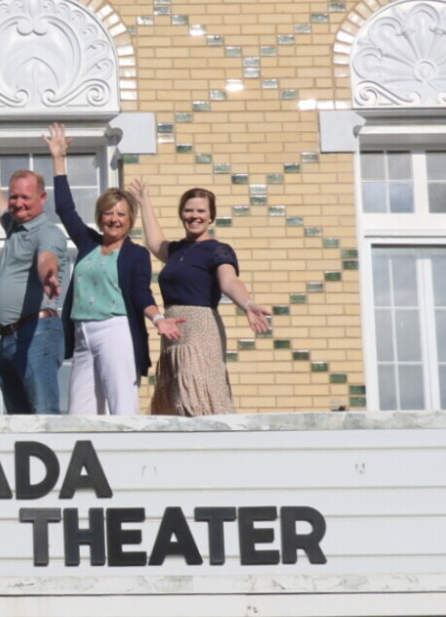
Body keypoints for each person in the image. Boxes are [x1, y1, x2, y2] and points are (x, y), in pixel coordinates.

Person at [44, 124, 175, 416]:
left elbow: (141, 292)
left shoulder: (135, 254)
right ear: (100, 217)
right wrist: (58, 159)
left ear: (130, 221)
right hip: (82, 332)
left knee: (121, 407)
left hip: (115, 329)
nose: (114, 220)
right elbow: (65, 209)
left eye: (121, 214)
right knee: (80, 413)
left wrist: (158, 319)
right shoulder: (88, 243)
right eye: (108, 213)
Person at [130, 178, 274, 416]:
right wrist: (144, 202)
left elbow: (229, 281)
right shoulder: (176, 251)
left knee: (197, 397)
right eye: (188, 210)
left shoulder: (218, 249)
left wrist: (246, 304)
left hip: (200, 328)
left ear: (210, 217)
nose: (194, 216)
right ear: (181, 214)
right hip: (173, 332)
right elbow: (155, 242)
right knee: (176, 400)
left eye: (200, 211)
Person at [0, 126, 71, 414]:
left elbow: (47, 257)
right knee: (19, 425)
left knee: (43, 414)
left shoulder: (47, 231)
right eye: (14, 197)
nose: (18, 203)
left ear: (42, 199)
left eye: (26, 198)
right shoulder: (14, 226)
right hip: (9, 338)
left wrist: (49, 275)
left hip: (37, 333)